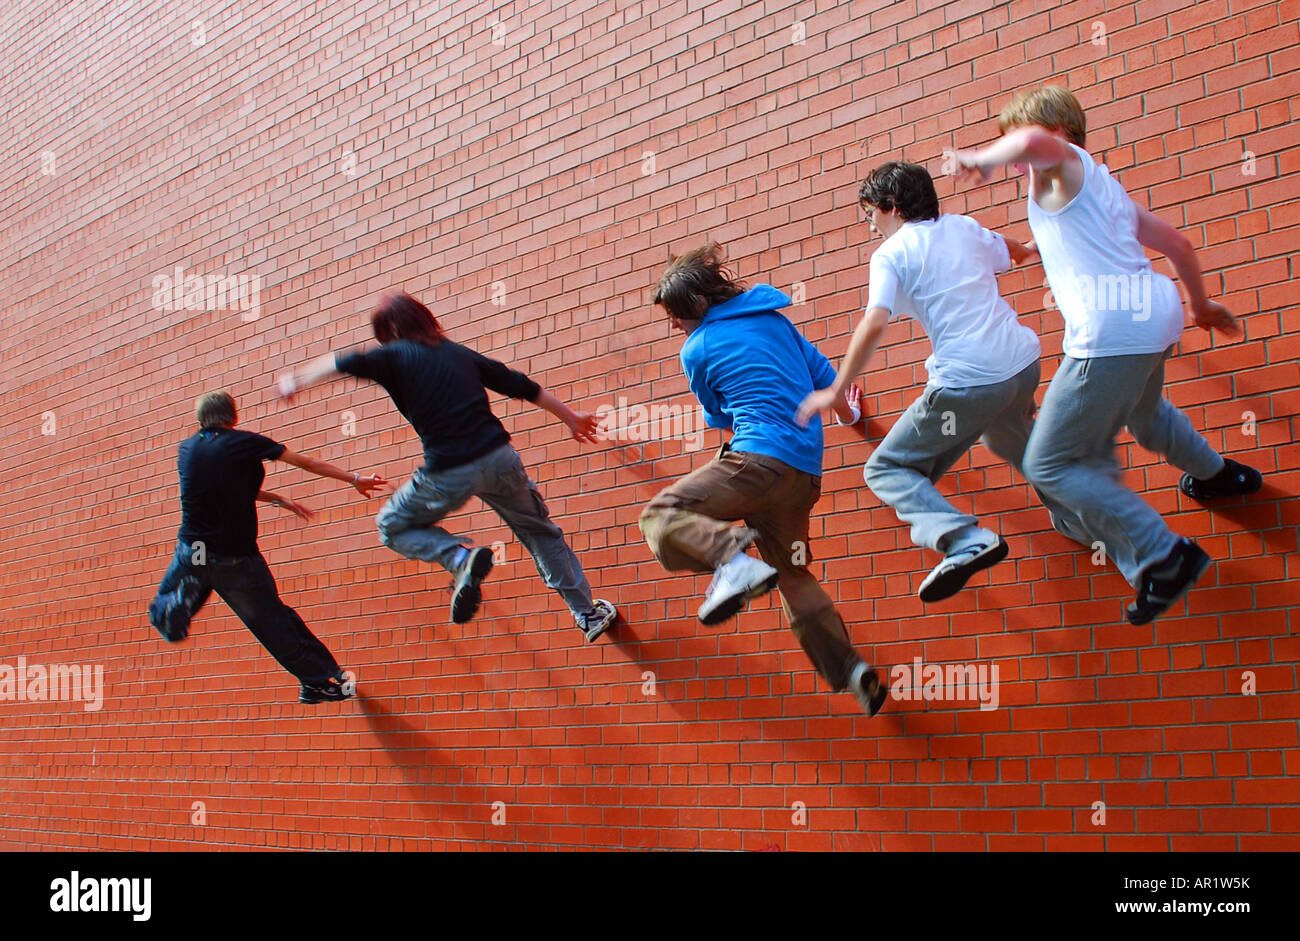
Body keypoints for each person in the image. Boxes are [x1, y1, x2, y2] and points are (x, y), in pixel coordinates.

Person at [954, 85, 1262, 624]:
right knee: (1146, 415)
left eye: (1017, 143)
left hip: (1111, 331)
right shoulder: (1104, 189)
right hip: (1153, 316)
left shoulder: (1060, 163)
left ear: (1061, 134)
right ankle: (1218, 476)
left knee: (1048, 463)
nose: (1017, 153)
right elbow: (1178, 246)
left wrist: (978, 158)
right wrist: (1201, 305)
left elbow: (1032, 139)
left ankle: (1163, 555)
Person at [275, 291, 618, 641]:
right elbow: (517, 384)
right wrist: (571, 417)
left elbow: (341, 362)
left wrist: (297, 380)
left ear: (389, 332)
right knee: (540, 532)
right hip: (500, 459)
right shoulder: (456, 353)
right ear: (425, 320)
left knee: (392, 526)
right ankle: (587, 614)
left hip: (448, 472)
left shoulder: (392, 356)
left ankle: (458, 558)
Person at [638, 242, 888, 716]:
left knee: (660, 515)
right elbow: (825, 377)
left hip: (756, 463)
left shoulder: (697, 348)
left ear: (696, 304)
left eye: (673, 314)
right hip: (802, 478)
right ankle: (852, 671)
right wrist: (849, 412)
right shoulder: (776, 320)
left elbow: (722, 421)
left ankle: (731, 561)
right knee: (793, 575)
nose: (671, 325)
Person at [798, 161, 1049, 602]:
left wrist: (837, 388)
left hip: (968, 383)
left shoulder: (892, 254)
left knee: (887, 468)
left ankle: (963, 539)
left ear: (891, 207)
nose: (871, 226)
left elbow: (875, 320)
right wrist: (1035, 246)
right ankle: (1084, 517)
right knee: (1012, 443)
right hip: (1023, 367)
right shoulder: (963, 228)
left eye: (870, 214)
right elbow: (1011, 250)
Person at [148, 391, 387, 703]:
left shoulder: (186, 449)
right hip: (235, 558)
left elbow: (221, 487)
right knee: (274, 622)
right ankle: (316, 680)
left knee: (162, 612)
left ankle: (178, 603)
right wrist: (354, 478)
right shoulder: (245, 442)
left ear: (200, 419)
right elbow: (308, 463)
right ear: (232, 416)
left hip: (193, 551)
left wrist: (276, 498)